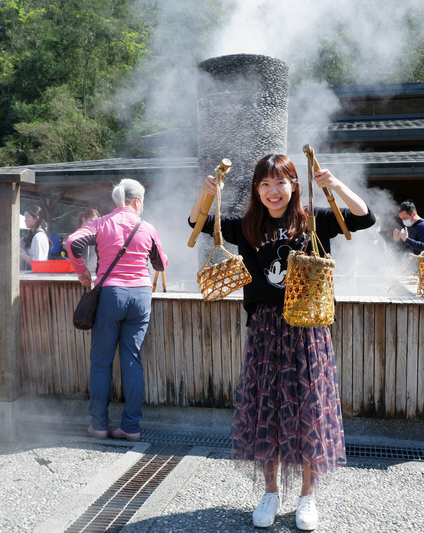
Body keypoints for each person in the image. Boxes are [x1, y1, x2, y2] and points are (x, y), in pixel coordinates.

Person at [189, 154, 375, 531]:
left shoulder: (315, 219)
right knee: (266, 409)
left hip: (307, 328)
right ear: (257, 190)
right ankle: (270, 492)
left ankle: (307, 495)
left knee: (308, 408)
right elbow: (197, 222)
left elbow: (364, 216)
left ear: (294, 185)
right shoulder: (246, 226)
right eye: (265, 185)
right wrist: (207, 193)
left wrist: (334, 184)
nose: (273, 191)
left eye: (280, 183)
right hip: (265, 327)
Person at [66, 180, 167, 443]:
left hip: (110, 295)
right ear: (138, 201)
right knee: (132, 360)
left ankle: (99, 425)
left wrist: (82, 272)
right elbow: (161, 263)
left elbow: (73, 242)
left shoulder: (101, 224)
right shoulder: (147, 227)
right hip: (141, 295)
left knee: (101, 362)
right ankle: (131, 427)